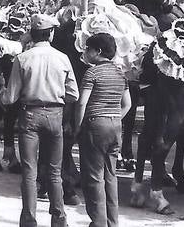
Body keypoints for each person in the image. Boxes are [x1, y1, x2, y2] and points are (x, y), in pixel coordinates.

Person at [0, 12, 79, 227]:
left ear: (32, 34)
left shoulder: (22, 58)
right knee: (54, 170)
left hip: (30, 115)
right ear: (51, 34)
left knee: (29, 170)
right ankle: (59, 217)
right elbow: (74, 94)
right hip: (55, 115)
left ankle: (29, 219)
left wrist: (0, 91)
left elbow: (10, 97)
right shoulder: (63, 58)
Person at [74, 33, 131, 227]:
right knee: (110, 176)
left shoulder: (92, 73)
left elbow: (82, 103)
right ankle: (112, 222)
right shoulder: (120, 73)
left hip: (95, 126)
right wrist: (113, 118)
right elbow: (127, 104)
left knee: (94, 178)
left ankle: (98, 223)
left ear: (97, 52)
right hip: (115, 126)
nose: (85, 52)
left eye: (87, 49)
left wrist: (78, 125)